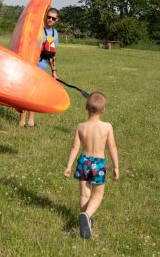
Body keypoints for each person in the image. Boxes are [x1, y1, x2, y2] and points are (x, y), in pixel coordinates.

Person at [63, 92, 120, 239]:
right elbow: (112, 147)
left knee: (84, 194)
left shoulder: (81, 127)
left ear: (85, 107)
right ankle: (87, 215)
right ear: (103, 110)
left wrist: (68, 166)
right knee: (98, 194)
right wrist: (116, 167)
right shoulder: (107, 127)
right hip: (98, 164)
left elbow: (75, 147)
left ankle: (86, 218)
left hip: (84, 162)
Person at [19, 7, 60, 127]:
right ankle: (22, 119)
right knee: (26, 91)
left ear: (56, 20)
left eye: (53, 18)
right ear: (45, 16)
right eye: (48, 17)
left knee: (35, 93)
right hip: (30, 63)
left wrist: (54, 71)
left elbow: (52, 54)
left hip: (42, 66)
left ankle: (31, 119)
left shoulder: (54, 34)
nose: (50, 19)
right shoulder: (38, 29)